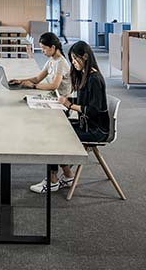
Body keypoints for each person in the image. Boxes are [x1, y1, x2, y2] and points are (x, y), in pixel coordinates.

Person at [30, 40, 109, 194]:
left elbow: (93, 111)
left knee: (54, 136)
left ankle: (52, 180)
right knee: (53, 130)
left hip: (96, 130)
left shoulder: (94, 79)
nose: (73, 63)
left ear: (85, 57)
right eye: (71, 60)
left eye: (75, 59)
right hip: (86, 124)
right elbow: (84, 102)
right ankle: (67, 175)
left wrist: (69, 105)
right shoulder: (86, 76)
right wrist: (66, 101)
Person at [10, 32, 72, 96]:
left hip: (62, 99)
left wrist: (33, 86)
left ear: (53, 47)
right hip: (54, 94)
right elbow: (37, 79)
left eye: (44, 48)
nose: (42, 51)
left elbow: (54, 86)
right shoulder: (52, 59)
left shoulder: (60, 63)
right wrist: (20, 81)